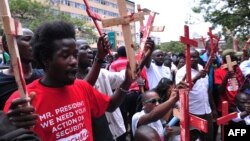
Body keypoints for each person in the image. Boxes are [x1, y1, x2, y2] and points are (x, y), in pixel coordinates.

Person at [4, 21, 134, 141]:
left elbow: (110, 105)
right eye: (65, 55)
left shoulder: (82, 87)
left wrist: (127, 81)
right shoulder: (23, 102)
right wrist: (12, 125)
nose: (73, 61)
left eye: (75, 55)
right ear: (45, 59)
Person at [75, 39, 126, 141]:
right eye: (84, 48)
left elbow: (122, 77)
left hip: (114, 131)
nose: (89, 51)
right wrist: (99, 57)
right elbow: (84, 88)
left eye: (90, 48)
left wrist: (136, 65)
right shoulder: (70, 82)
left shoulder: (102, 73)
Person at [175, 48, 214, 141]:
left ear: (198, 57)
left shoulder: (202, 68)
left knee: (208, 138)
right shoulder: (181, 73)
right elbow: (182, 91)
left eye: (194, 57)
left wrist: (213, 108)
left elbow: (206, 90)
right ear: (185, 58)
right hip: (192, 112)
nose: (192, 59)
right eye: (190, 57)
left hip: (206, 111)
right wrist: (196, 77)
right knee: (195, 138)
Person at [0, 28, 44, 110]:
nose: (34, 44)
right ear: (8, 44)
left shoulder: (45, 75)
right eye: (27, 39)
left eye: (35, 40)